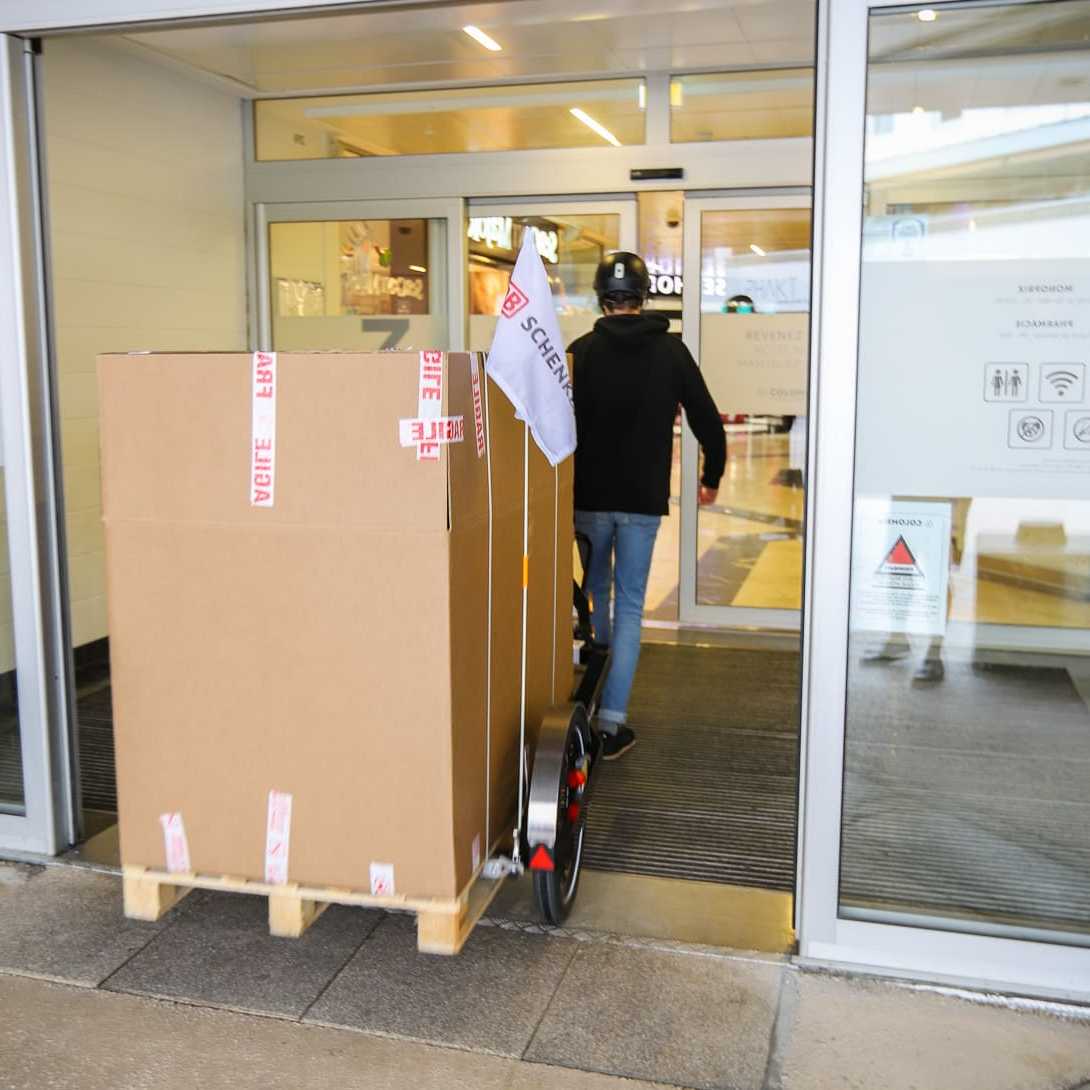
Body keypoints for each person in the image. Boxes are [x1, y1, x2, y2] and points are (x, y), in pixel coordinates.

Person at [569, 252, 727, 759]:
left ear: (601, 297)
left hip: (588, 499)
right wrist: (712, 476)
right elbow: (708, 419)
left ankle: (584, 707)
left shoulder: (580, 352)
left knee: (595, 599)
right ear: (643, 297)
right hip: (641, 502)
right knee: (631, 603)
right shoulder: (671, 353)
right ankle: (612, 724)